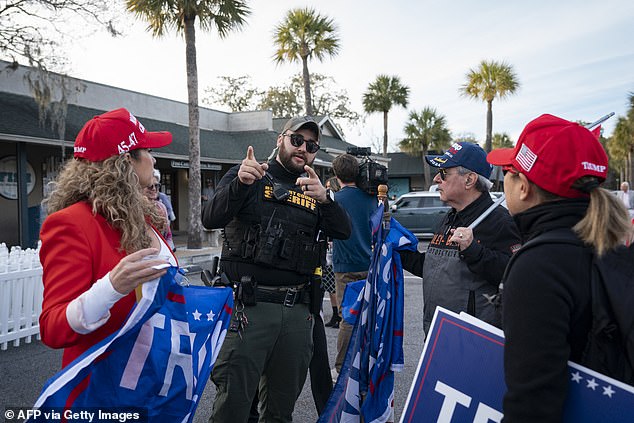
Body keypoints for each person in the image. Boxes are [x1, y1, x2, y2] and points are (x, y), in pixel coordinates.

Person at [202, 116, 351, 423]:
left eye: (311, 146)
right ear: (280, 139)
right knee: (233, 409)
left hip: (297, 312)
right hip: (249, 309)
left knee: (281, 412)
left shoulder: (314, 190)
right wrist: (241, 184)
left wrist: (325, 200)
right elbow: (211, 217)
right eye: (296, 140)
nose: (303, 149)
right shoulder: (248, 174)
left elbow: (344, 231)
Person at [486, 114, 632, 422]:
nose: (504, 182)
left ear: (523, 187)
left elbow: (532, 408)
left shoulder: (538, 265)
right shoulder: (613, 246)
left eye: (508, 173)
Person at [38, 108, 175, 368]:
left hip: (152, 376)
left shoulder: (142, 214)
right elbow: (52, 328)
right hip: (104, 384)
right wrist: (111, 287)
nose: (154, 160)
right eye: (148, 151)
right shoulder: (71, 223)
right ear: (126, 161)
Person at [399, 142, 521, 335]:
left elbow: (514, 274)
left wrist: (474, 251)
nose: (437, 179)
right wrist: (396, 252)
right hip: (436, 332)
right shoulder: (449, 217)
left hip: (470, 339)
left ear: (469, 180)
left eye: (444, 172)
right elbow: (435, 268)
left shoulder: (498, 221)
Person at [330, 154, 378, 378]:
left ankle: (342, 366)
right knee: (367, 315)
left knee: (347, 317)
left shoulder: (335, 199)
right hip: (369, 263)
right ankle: (367, 361)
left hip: (344, 265)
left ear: (336, 174)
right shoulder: (371, 199)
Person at [323, 176, 341, 328]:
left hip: (335, 248)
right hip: (328, 248)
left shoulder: (337, 203)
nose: (327, 189)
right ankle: (335, 314)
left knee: (334, 284)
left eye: (329, 186)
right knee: (329, 285)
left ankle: (339, 315)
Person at [144, 171, 175, 251]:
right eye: (150, 186)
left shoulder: (161, 207)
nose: (154, 189)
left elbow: (168, 234)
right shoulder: (134, 208)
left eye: (157, 186)